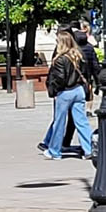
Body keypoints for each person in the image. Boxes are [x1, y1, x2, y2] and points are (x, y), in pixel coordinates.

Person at [39, 30, 95, 161]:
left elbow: (59, 79)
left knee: (59, 122)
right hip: (79, 90)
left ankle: (55, 151)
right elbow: (86, 73)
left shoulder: (60, 59)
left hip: (65, 92)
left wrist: (54, 91)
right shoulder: (79, 56)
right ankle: (89, 149)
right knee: (81, 121)